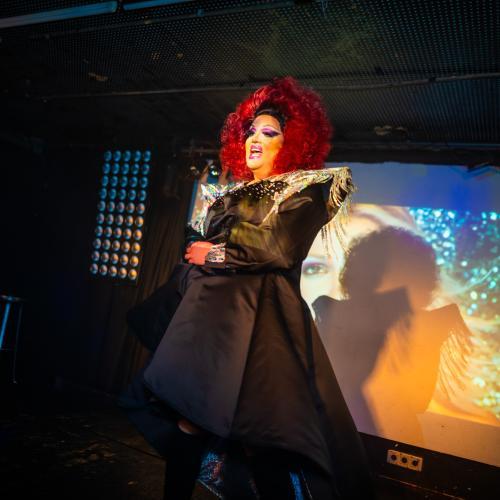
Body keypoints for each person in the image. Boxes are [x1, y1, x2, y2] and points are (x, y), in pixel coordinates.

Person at [121, 76, 376, 499]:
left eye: (269, 133)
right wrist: (200, 249)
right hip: (213, 329)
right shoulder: (229, 194)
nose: (255, 139)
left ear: (292, 143)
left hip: (260, 332)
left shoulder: (306, 188)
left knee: (260, 437)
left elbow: (276, 249)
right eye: (251, 131)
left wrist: (214, 254)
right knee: (190, 419)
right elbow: (199, 244)